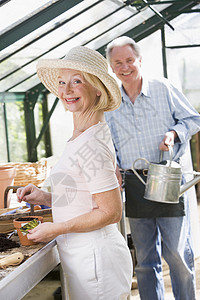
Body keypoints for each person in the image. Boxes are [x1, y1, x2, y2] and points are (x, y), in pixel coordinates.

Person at [17, 46, 133, 300]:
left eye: (77, 81)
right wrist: (45, 198)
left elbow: (111, 211)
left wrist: (57, 228)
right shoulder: (82, 136)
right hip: (85, 259)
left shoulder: (91, 143)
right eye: (62, 82)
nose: (66, 90)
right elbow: (87, 198)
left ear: (97, 88)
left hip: (96, 260)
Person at [105, 36, 200, 300]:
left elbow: (193, 119)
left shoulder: (162, 88)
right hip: (133, 184)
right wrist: (113, 165)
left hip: (167, 179)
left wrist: (174, 133)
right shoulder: (111, 103)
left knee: (178, 255)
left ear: (139, 61)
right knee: (145, 260)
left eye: (129, 61)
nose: (125, 67)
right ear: (111, 67)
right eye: (118, 63)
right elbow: (109, 143)